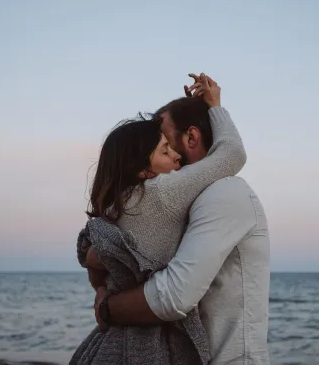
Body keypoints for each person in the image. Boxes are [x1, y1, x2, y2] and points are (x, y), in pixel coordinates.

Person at [91, 75, 271, 364]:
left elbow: (174, 294)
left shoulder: (226, 192)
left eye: (163, 138)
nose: (161, 148)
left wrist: (106, 308)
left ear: (191, 137)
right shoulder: (173, 201)